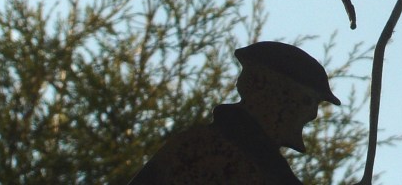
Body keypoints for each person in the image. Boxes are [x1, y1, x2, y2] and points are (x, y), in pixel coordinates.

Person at [127, 41, 340, 184]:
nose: (312, 114)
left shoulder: (263, 164)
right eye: (306, 101)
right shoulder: (208, 150)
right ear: (269, 91)